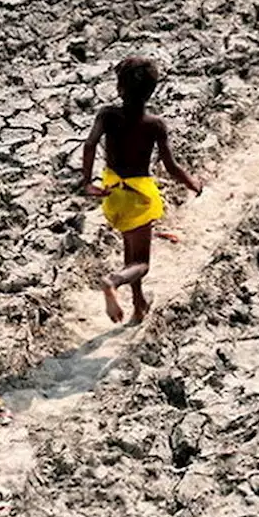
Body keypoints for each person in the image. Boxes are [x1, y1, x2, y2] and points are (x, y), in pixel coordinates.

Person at [80, 56, 203, 325]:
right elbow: (171, 167)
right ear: (151, 91)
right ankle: (113, 280)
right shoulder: (154, 124)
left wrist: (88, 182)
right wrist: (193, 183)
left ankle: (139, 304)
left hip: (112, 191)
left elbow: (89, 145)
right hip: (139, 196)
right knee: (142, 263)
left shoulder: (107, 115)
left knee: (130, 248)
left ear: (120, 88)